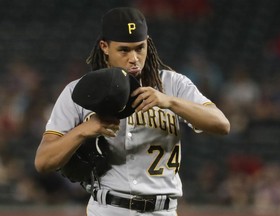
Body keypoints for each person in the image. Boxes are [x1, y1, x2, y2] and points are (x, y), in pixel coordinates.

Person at [34, 7, 230, 216]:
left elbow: (221, 124)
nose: (134, 58)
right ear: (104, 47)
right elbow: (43, 161)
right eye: (124, 50)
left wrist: (170, 102)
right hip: (108, 209)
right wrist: (83, 130)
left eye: (140, 48)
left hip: (162, 210)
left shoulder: (173, 84)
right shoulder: (81, 92)